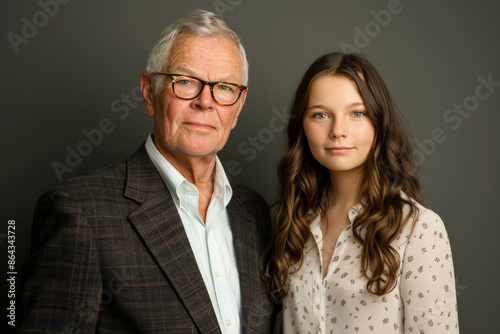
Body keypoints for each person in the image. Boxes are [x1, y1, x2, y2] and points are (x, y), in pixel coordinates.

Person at [18, 9, 276, 333]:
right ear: (148, 91)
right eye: (185, 81)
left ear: (237, 106)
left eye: (223, 87)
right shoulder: (80, 212)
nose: (205, 102)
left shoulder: (254, 212)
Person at [264, 52, 459, 333]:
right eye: (320, 115)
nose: (338, 130)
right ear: (302, 126)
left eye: (357, 113)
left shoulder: (419, 229)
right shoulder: (293, 223)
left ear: (379, 123)